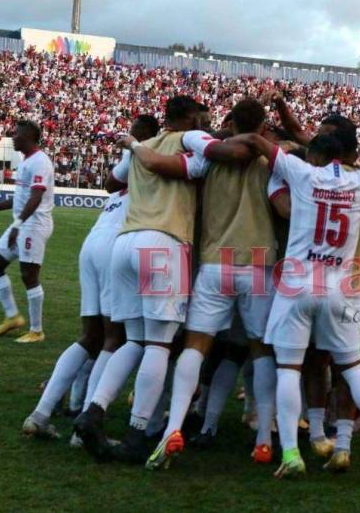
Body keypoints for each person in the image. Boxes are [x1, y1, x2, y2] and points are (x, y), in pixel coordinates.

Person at [229, 130, 360, 483]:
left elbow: (257, 143)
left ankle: (289, 453)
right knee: (353, 367)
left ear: (315, 155)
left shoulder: (303, 173)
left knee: (288, 368)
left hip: (298, 284)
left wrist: (254, 139)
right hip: (340, 287)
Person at [73, 96, 249, 462]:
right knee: (158, 344)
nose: (206, 122)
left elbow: (113, 181)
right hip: (162, 243)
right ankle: (138, 433)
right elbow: (222, 152)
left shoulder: (147, 144)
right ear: (188, 118)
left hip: (126, 242)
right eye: (200, 116)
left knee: (133, 341)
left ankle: (94, 411)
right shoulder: (191, 140)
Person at [141, 98, 280, 469]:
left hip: (215, 262)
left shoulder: (211, 160)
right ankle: (264, 439)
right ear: (264, 124)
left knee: (196, 347)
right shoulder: (273, 162)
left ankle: (174, 427)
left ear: (230, 123)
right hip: (258, 265)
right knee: (261, 351)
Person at [21, 116, 159, 440]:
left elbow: (110, 184)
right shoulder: (151, 157)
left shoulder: (126, 163)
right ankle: (84, 427)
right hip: (118, 243)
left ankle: (41, 413)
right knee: (116, 338)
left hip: (94, 240)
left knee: (90, 337)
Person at [0, 120, 54, 343]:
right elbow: (21, 198)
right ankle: (13, 317)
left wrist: (17, 225)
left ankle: (37, 331)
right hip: (22, 223)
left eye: (16, 134)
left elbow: (36, 199)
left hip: (34, 225)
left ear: (28, 137)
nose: (13, 137)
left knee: (29, 275)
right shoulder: (26, 161)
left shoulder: (40, 162)